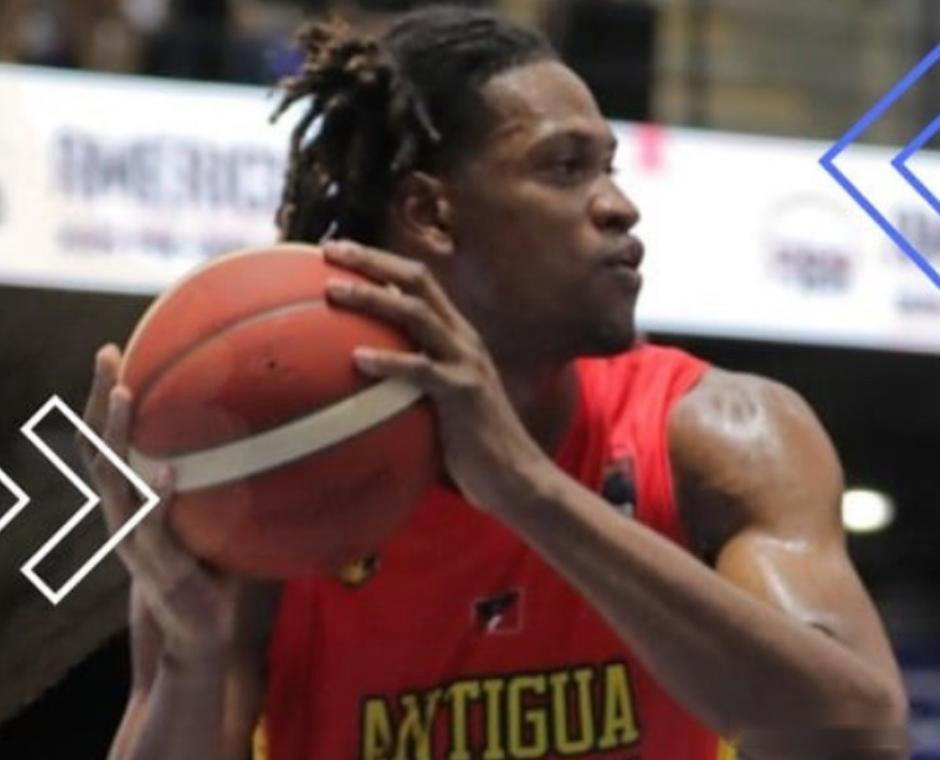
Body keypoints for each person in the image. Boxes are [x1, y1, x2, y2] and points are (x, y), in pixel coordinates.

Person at [80, 5, 908, 759]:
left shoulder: (718, 434)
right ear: (431, 214)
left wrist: (526, 491)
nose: (619, 206)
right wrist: (190, 663)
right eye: (566, 168)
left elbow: (859, 744)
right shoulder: (271, 478)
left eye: (610, 166)